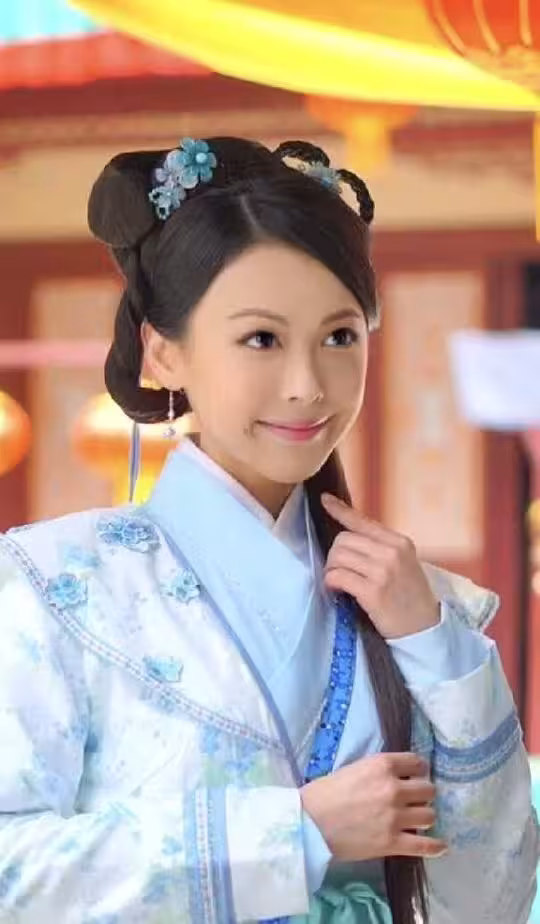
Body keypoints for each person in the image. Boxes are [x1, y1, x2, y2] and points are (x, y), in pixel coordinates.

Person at [0, 136, 537, 924]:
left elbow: (493, 901)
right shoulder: (52, 583)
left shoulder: (421, 609)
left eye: (340, 336)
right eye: (261, 338)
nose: (307, 385)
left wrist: (434, 645)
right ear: (163, 352)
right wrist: (297, 834)